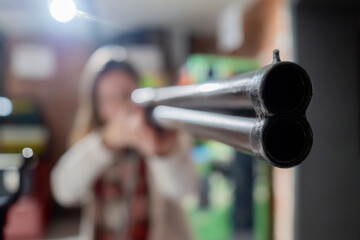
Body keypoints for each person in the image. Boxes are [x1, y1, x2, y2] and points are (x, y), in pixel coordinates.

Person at [51, 46, 197, 240]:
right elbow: (64, 191)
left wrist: (163, 153)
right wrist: (106, 143)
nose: (120, 106)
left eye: (126, 94)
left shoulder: (161, 132)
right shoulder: (92, 141)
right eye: (108, 99)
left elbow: (185, 190)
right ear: (96, 106)